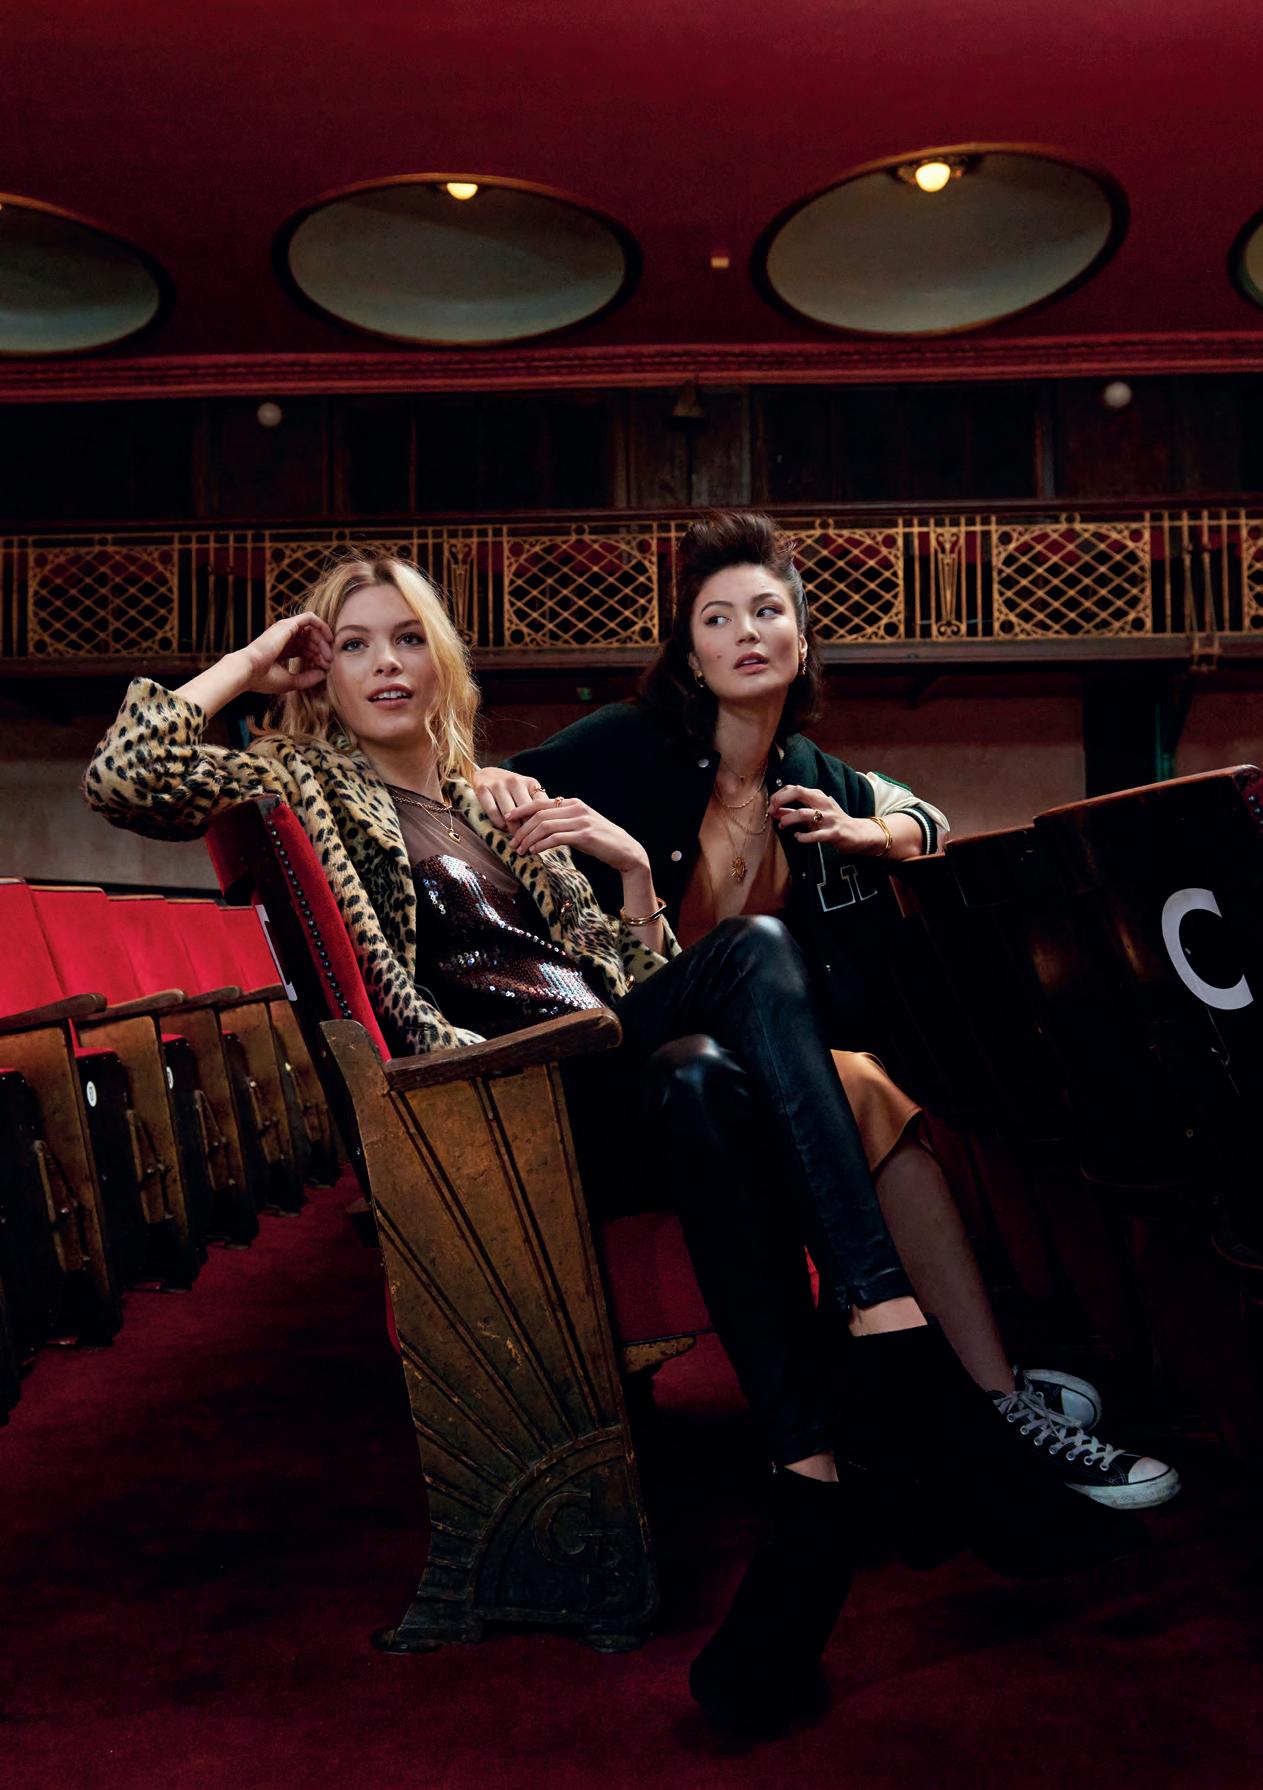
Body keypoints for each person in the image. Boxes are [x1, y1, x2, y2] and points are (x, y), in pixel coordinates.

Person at [84, 554, 1144, 1739]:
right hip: (514, 1106)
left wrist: (635, 874)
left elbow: (634, 977)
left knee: (699, 1081)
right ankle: (891, 1336)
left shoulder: (495, 801)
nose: (384, 663)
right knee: (754, 957)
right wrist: (246, 663)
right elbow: (127, 774)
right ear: (318, 674)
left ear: (442, 660)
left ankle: (811, 1484)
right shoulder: (310, 781)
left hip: (612, 1071)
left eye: (407, 638)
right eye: (354, 644)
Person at [475, 510, 1178, 1514]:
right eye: (717, 618)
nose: (745, 633)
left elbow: (925, 817)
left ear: (802, 642)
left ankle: (990, 1397)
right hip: (643, 1078)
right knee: (858, 1079)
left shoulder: (806, 774)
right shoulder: (627, 745)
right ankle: (969, 1385)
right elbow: (481, 786)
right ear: (690, 655)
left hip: (759, 1076)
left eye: (768, 612)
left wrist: (865, 832)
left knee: (886, 1082)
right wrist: (506, 788)